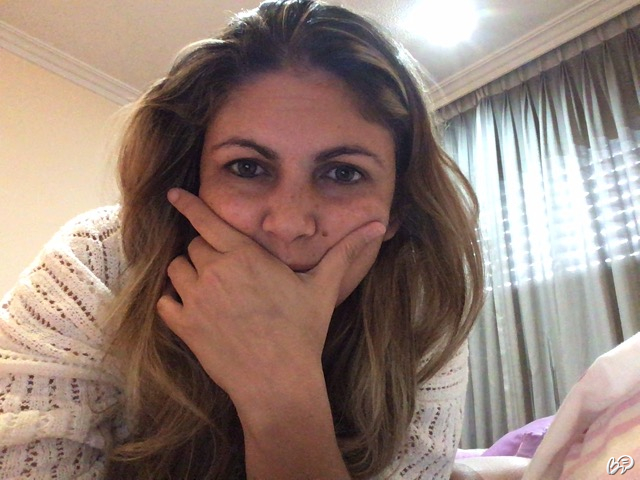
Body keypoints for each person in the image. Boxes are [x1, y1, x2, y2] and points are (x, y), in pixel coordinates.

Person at [0, 0, 484, 478]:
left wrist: (281, 393)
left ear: (398, 209)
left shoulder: (420, 312)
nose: (289, 223)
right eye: (247, 167)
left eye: (343, 173)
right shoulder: (96, 263)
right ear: (192, 182)